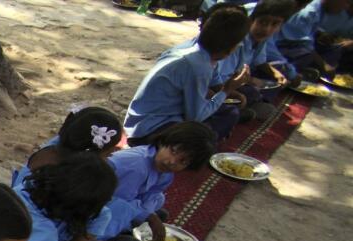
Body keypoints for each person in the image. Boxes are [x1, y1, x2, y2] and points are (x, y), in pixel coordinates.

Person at [66, 122, 216, 241]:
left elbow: (151, 194)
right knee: (121, 211)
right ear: (163, 141)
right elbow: (115, 202)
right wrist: (149, 216)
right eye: (173, 151)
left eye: (182, 162)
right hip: (93, 208)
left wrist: (150, 215)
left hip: (117, 204)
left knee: (158, 199)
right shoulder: (135, 165)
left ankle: (120, 230)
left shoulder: (165, 172)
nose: (172, 162)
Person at [124, 3, 252, 144]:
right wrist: (227, 90)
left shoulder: (200, 53)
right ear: (231, 48)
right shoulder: (198, 66)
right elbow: (195, 117)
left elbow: (214, 84)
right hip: (148, 130)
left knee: (229, 112)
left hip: (153, 120)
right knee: (201, 136)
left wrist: (230, 90)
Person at [211, 0, 301, 120]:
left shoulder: (261, 39)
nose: (267, 29)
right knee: (250, 93)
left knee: (276, 77)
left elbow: (259, 61)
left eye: (275, 24)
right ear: (251, 20)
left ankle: (247, 105)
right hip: (220, 83)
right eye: (262, 22)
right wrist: (250, 80)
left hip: (238, 77)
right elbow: (220, 79)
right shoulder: (236, 39)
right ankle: (235, 110)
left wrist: (276, 74)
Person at [17, 106, 124, 183]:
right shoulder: (64, 181)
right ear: (88, 154)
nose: (109, 158)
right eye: (108, 154)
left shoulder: (61, 144)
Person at [275, 0, 353, 76]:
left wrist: (320, 34)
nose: (346, 7)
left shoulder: (320, 11)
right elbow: (301, 46)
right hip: (281, 52)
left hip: (297, 49)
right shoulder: (309, 13)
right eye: (347, 2)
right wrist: (324, 65)